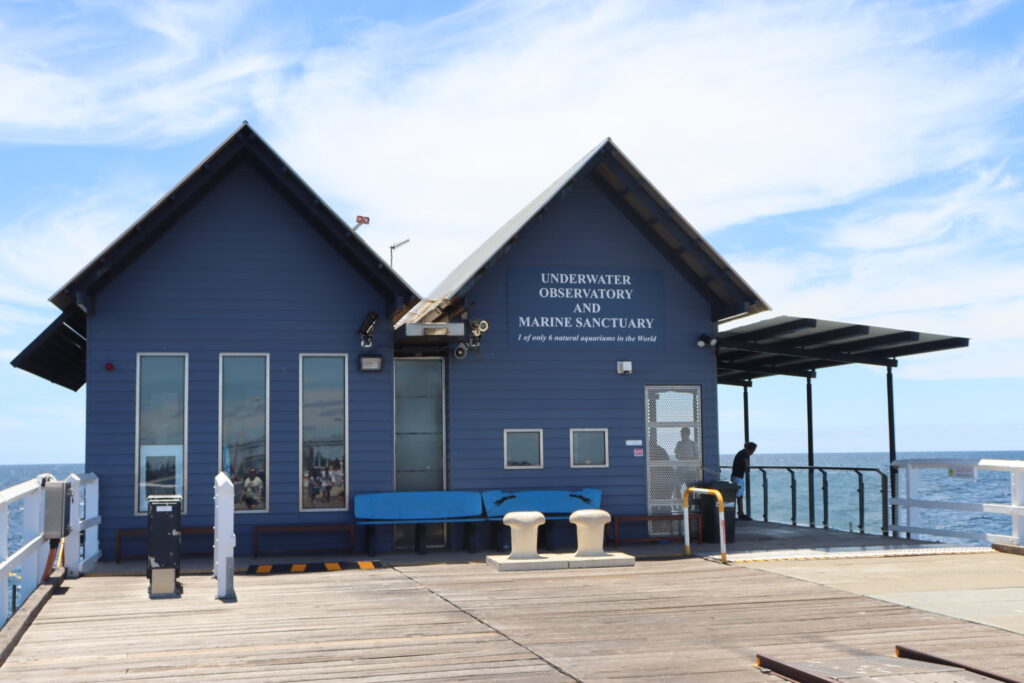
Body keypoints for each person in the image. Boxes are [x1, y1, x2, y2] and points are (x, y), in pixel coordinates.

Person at [731, 442, 757, 520]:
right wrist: (747, 469)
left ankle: (739, 513)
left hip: (736, 476)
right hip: (738, 477)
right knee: (738, 496)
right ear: (751, 449)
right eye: (754, 450)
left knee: (738, 496)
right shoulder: (744, 454)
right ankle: (739, 514)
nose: (753, 452)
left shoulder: (741, 453)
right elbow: (746, 464)